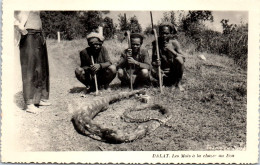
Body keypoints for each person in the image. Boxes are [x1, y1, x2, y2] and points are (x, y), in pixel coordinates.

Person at [14, 11, 51, 112]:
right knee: (30, 68)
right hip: (28, 34)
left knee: (41, 67)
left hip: (39, 33)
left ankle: (39, 98)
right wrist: (19, 27)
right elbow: (8, 10)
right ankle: (29, 103)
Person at [151, 23, 186, 91]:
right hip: (162, 73)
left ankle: (178, 83)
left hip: (173, 73)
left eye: (167, 33)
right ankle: (162, 82)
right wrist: (156, 63)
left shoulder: (174, 42)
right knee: (152, 70)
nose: (164, 35)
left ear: (170, 33)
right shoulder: (156, 43)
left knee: (179, 59)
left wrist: (172, 51)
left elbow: (183, 57)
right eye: (162, 33)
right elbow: (152, 61)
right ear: (159, 33)